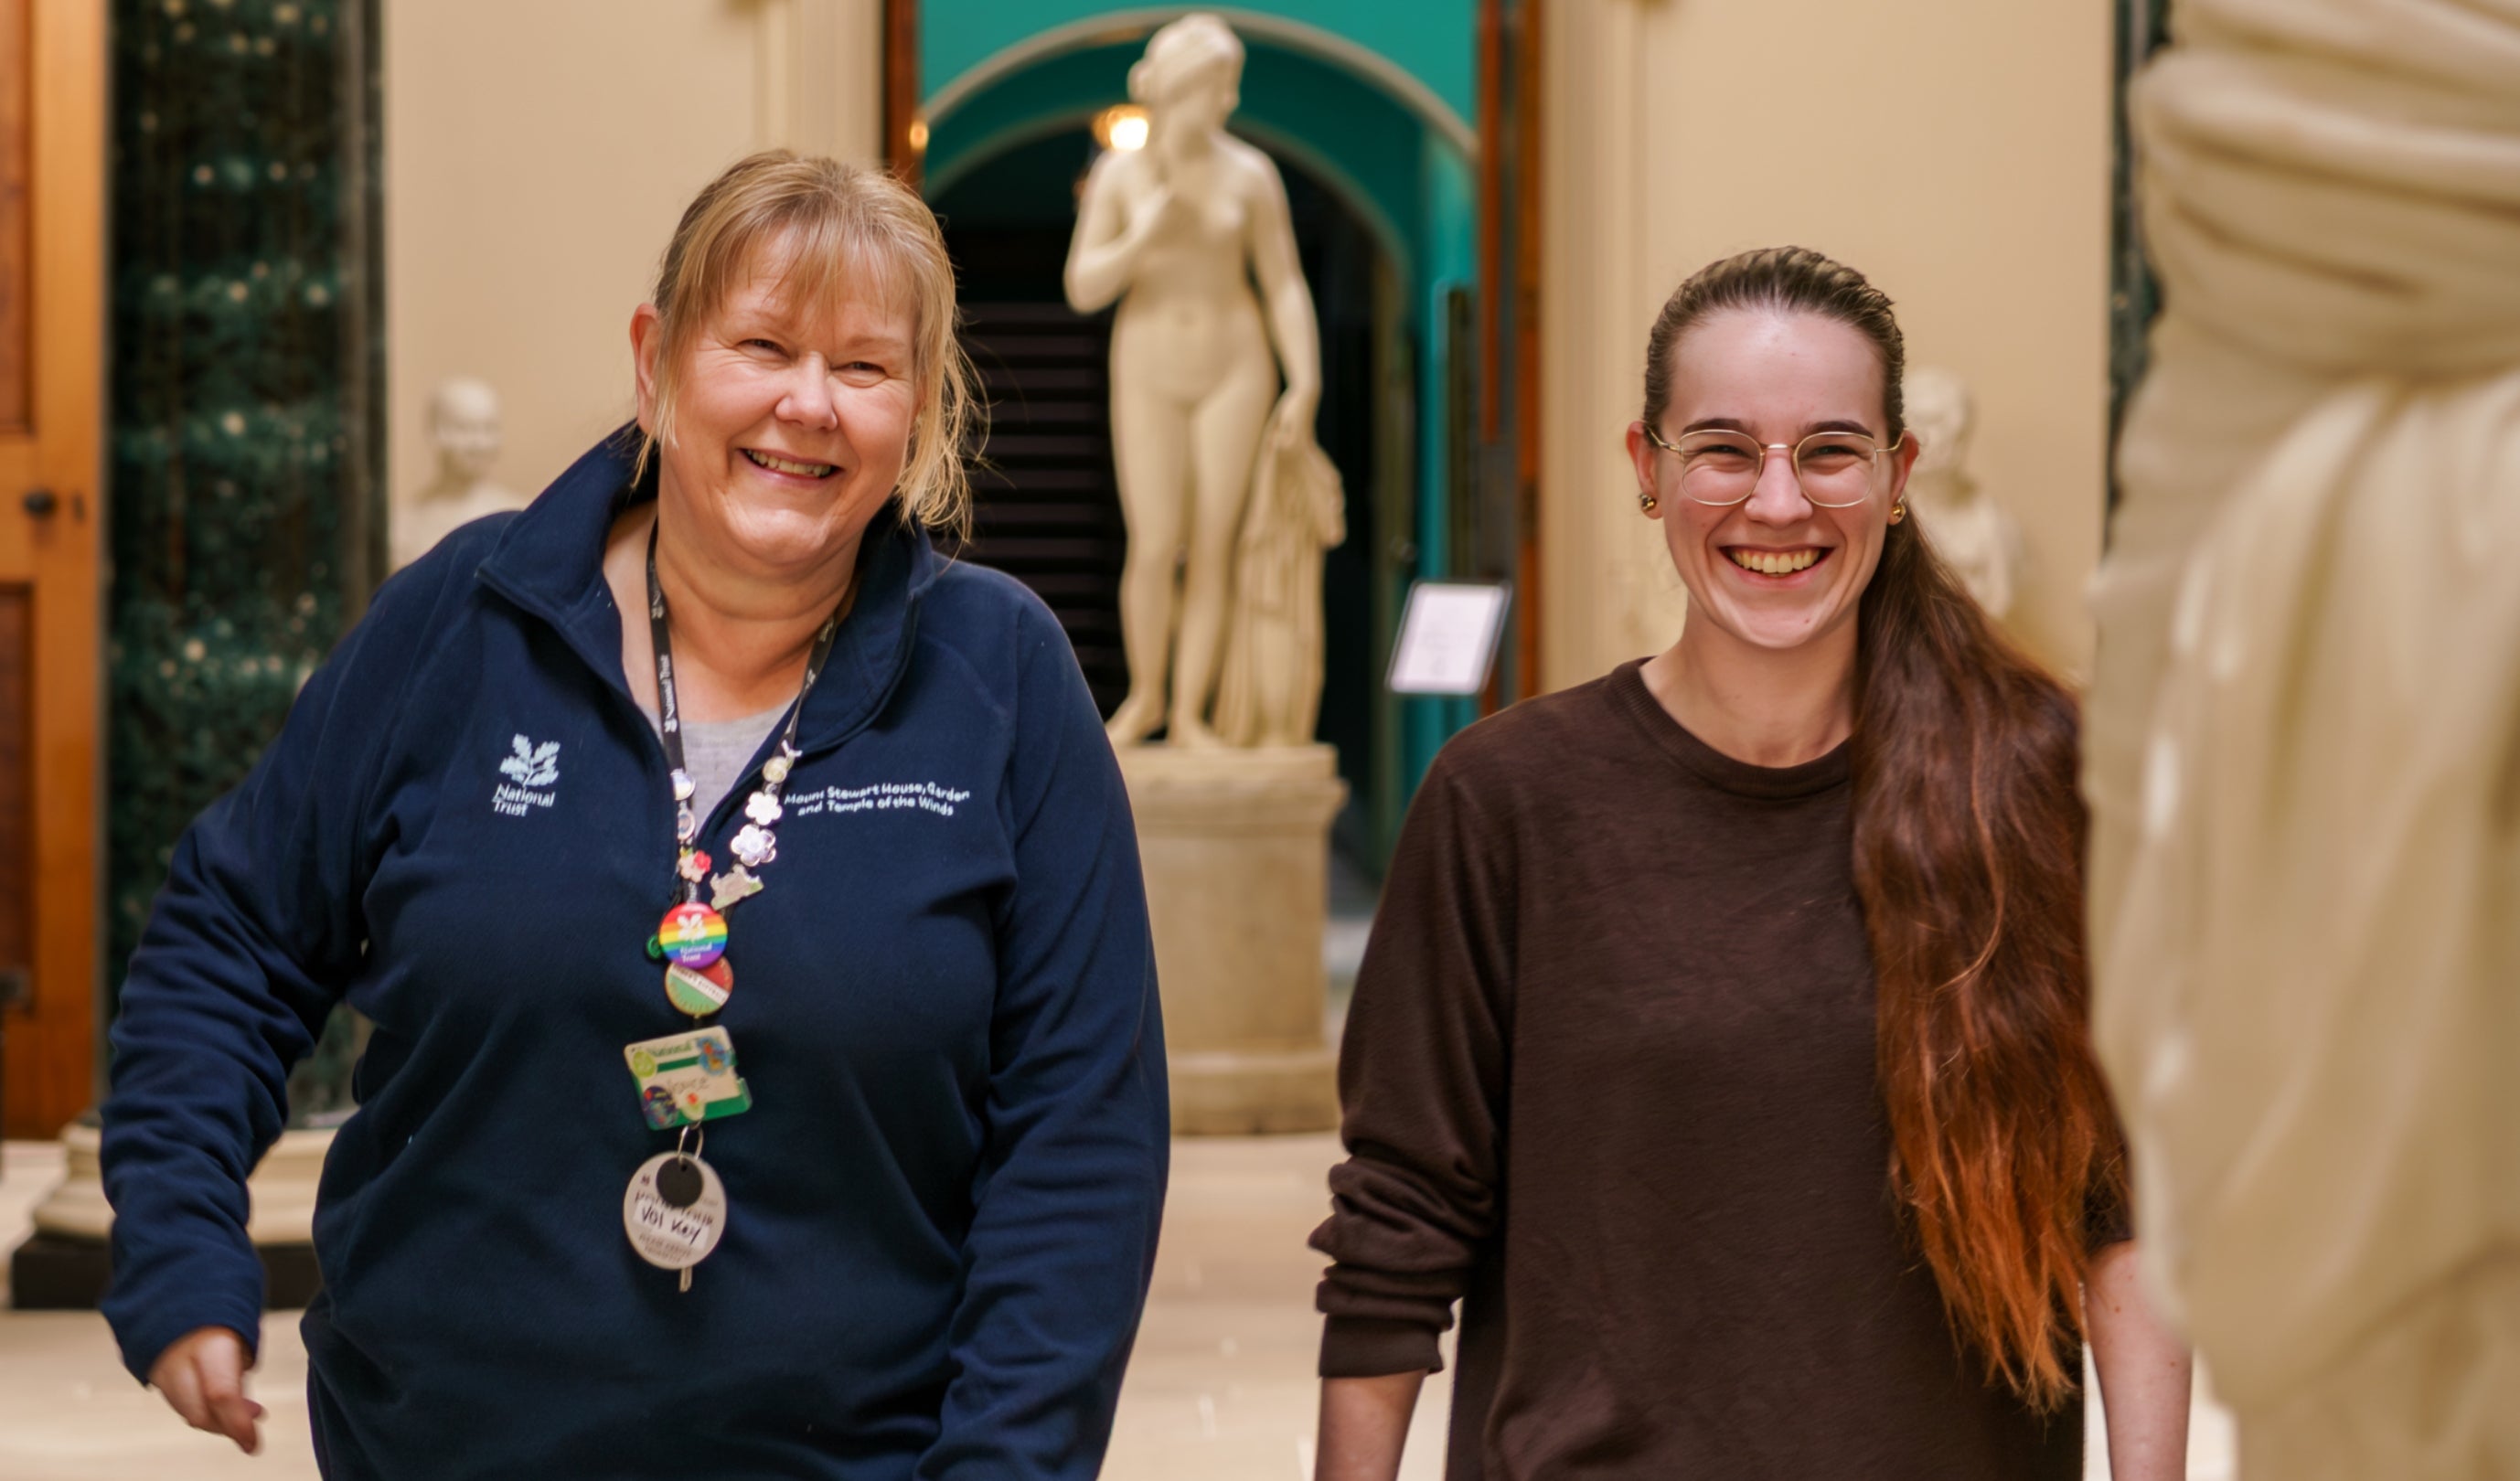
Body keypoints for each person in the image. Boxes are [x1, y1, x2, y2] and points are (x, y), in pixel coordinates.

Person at [101, 151, 1169, 1478]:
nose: (807, 405)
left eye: (865, 367)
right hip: (438, 1447)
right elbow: (231, 938)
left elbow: (1081, 1133)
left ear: (921, 410)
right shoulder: (466, 620)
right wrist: (181, 1236)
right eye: (763, 344)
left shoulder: (1003, 677)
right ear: (656, 359)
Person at [1308, 247, 2192, 1480]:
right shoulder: (1505, 803)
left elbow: (2125, 1208)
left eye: (1829, 450)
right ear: (1647, 471)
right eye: (1724, 447)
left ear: (1896, 478)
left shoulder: (2036, 785)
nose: (1778, 502)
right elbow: (1400, 1220)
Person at [1062, 13, 1321, 747]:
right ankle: (1145, 697)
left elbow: (1283, 286)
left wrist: (1305, 382)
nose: (1227, 102)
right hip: (1148, 365)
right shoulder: (1121, 173)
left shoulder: (1250, 173)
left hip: (1236, 367)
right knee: (1153, 543)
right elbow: (1083, 286)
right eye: (1216, 86)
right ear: (1179, 89)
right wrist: (1143, 231)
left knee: (1213, 545)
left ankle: (1190, 715)